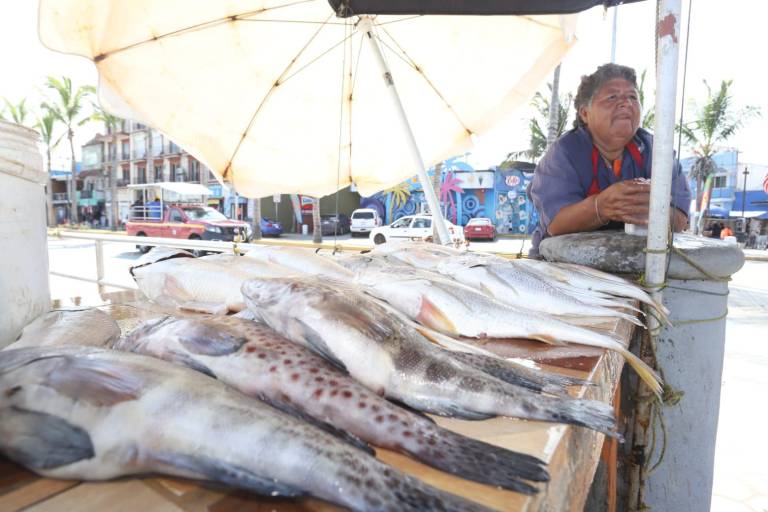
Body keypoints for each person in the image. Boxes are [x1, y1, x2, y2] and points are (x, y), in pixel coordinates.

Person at [528, 63, 691, 257]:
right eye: (612, 97)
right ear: (585, 113)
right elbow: (556, 224)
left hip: (636, 260)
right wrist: (600, 207)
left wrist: (654, 210)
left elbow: (680, 219)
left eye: (632, 97)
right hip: (562, 265)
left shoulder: (657, 152)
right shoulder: (564, 153)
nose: (625, 103)